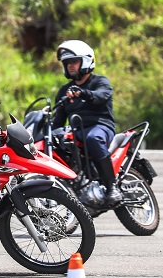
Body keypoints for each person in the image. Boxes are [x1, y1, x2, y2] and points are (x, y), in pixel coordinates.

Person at [50, 39, 122, 206]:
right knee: (56, 142)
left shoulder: (100, 82)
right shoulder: (64, 91)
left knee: (92, 138)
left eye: (74, 61)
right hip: (77, 132)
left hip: (101, 127)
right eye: (67, 63)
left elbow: (100, 97)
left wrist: (83, 93)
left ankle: (112, 187)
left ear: (87, 60)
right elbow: (58, 122)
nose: (70, 66)